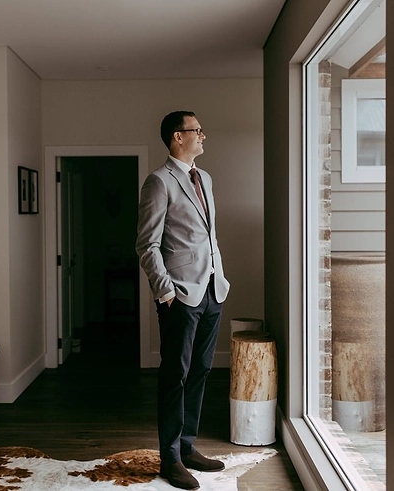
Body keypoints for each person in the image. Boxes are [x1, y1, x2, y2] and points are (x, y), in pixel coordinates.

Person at [136, 111, 231, 490]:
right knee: (175, 375)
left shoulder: (204, 178)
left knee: (201, 371)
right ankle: (170, 458)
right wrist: (166, 292)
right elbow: (147, 244)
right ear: (178, 136)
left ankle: (188, 446)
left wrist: (218, 276)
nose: (203, 135)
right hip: (179, 294)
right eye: (197, 130)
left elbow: (206, 235)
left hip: (212, 289)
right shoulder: (159, 181)